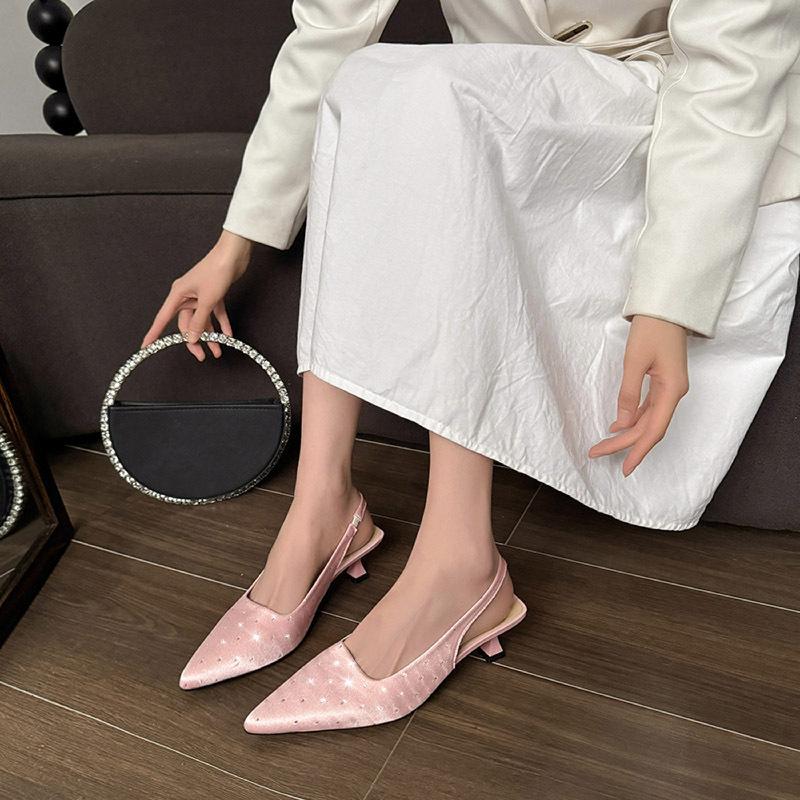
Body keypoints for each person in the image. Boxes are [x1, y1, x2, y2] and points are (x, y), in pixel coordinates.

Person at [141, 0, 800, 733]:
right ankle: (322, 508)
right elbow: (331, 31)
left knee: (444, 95)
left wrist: (669, 305)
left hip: (672, 103)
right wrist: (235, 243)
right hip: (508, 101)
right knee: (364, 79)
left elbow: (733, 69)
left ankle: (459, 564)